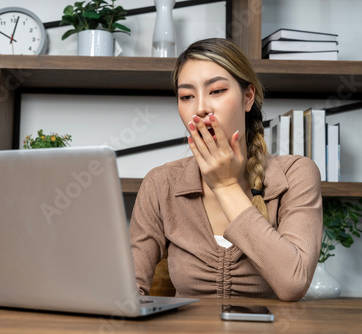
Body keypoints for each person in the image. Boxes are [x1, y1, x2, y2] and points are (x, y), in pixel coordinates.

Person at [129, 38, 322, 302]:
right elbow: (128, 290)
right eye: (186, 96)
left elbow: (293, 283)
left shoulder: (296, 174)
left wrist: (225, 186)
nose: (200, 108)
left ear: (247, 97)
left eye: (217, 91)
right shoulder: (161, 183)